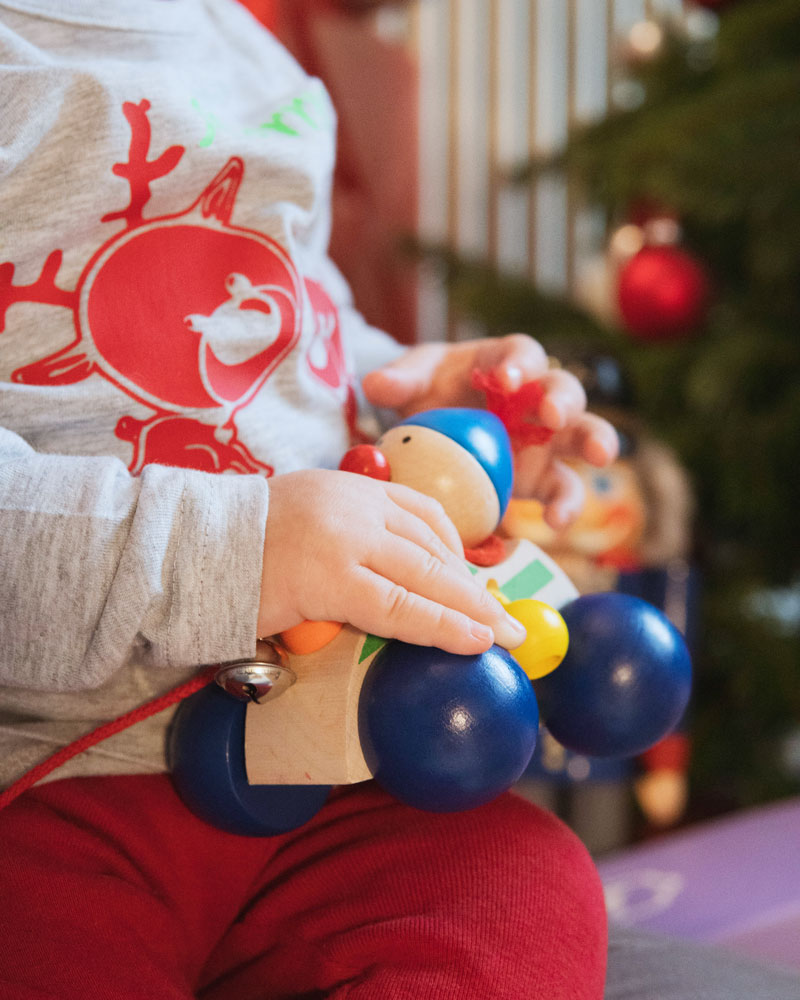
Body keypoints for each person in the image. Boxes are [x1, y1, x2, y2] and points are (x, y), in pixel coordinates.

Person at [0, 2, 616, 997]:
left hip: (329, 750)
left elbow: (283, 320)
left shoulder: (239, 41)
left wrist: (405, 398)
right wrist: (236, 551)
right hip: (50, 777)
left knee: (519, 883)